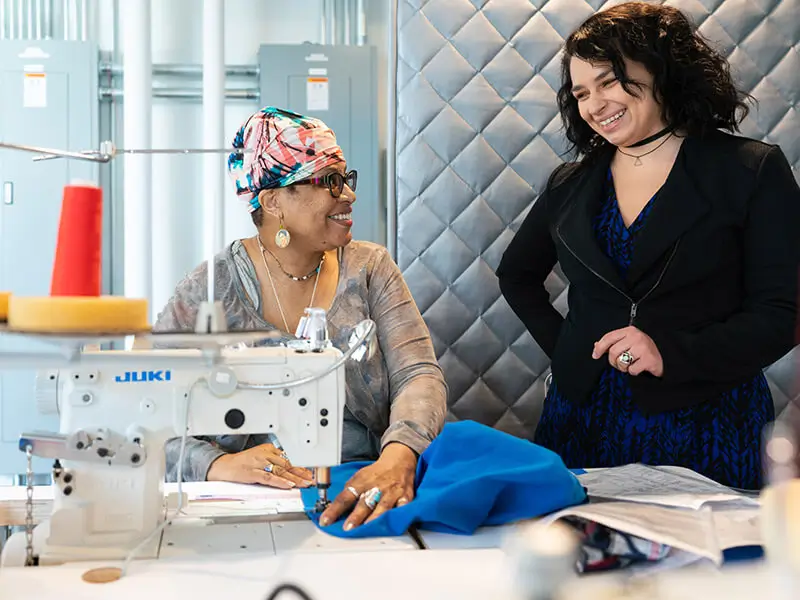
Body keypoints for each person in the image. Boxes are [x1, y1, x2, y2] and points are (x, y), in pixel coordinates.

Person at [496, 2, 800, 490]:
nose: (595, 105)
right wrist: (574, 353)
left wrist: (671, 354)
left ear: (661, 71)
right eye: (581, 93)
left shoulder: (750, 169)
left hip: (708, 421)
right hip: (580, 422)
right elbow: (516, 276)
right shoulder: (570, 182)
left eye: (609, 81)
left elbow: (783, 312)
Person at [152, 107, 447, 529]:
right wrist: (216, 464)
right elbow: (147, 408)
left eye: (346, 178)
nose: (349, 195)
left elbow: (418, 375)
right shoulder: (210, 290)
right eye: (330, 181)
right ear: (273, 200)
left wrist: (398, 456)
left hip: (366, 479)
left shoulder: (370, 269)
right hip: (247, 501)